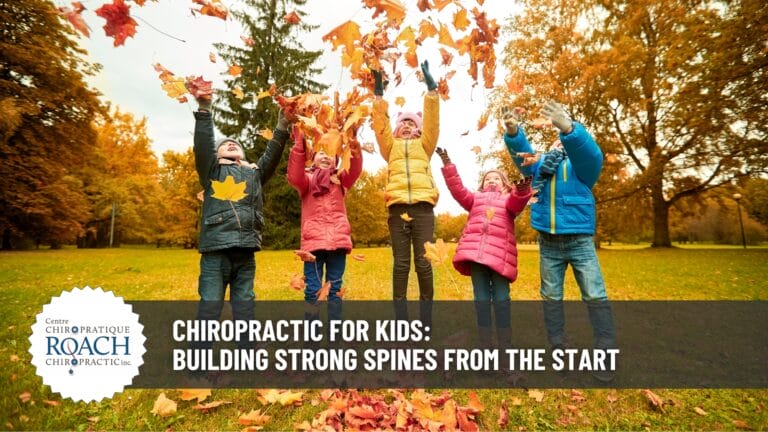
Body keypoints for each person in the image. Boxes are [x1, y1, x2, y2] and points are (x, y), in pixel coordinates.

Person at [503, 101, 617, 381]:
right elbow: (522, 156)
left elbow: (590, 153)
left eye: (563, 138)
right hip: (549, 243)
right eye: (556, 138)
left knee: (594, 295)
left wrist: (568, 129)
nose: (558, 141)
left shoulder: (583, 168)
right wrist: (514, 133)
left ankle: (604, 353)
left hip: (580, 242)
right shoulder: (540, 167)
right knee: (551, 297)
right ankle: (559, 349)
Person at [193, 95, 291, 349]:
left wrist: (282, 125)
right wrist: (204, 109)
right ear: (217, 155)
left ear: (243, 154)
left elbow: (272, 155)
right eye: (224, 144)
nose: (230, 143)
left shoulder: (253, 174)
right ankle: (198, 358)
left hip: (246, 251)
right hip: (216, 252)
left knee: (245, 305)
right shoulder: (213, 171)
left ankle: (246, 352)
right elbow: (203, 146)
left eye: (235, 143)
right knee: (210, 307)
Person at [436, 147, 532, 354]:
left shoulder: (508, 200)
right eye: (488, 178)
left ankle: (505, 342)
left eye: (496, 178)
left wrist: (522, 191)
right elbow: (457, 190)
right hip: (476, 257)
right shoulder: (475, 199)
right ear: (481, 184)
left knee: (501, 299)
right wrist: (448, 165)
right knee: (481, 300)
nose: (492, 180)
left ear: (505, 184)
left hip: (500, 258)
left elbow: (518, 202)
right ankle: (485, 342)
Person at [370, 60, 440, 326]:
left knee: (424, 264)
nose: (408, 126)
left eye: (412, 123)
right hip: (398, 208)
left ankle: (425, 322)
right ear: (397, 128)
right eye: (404, 123)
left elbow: (432, 124)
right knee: (401, 265)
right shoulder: (390, 148)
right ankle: (401, 322)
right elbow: (381, 127)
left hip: (423, 208)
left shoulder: (425, 145)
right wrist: (379, 97)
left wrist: (431, 92)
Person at [286, 126, 363, 321]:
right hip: (313, 244)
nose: (326, 156)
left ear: (336, 159)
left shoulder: (340, 180)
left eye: (330, 153)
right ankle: (312, 333)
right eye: (321, 152)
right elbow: (294, 175)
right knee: (313, 290)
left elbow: (354, 169)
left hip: (338, 242)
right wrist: (299, 145)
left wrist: (354, 147)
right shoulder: (307, 180)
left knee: (334, 289)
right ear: (312, 158)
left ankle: (335, 332)